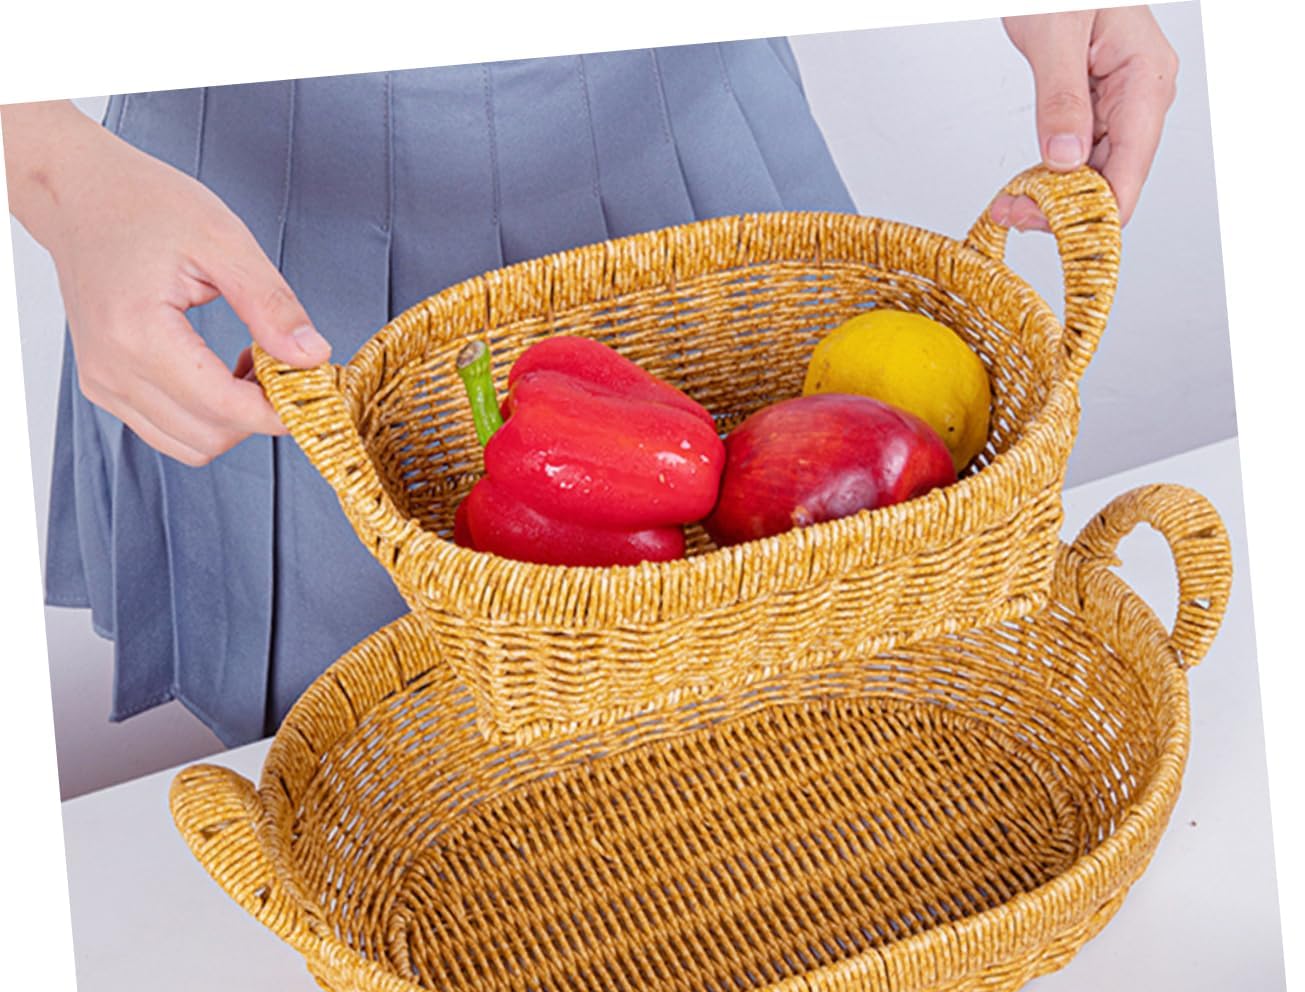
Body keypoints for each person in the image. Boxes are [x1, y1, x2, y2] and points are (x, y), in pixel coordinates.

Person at [2, 9, 1178, 747]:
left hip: (692, 150)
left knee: (805, 710)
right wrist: (49, 162)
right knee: (404, 758)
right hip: (259, 226)